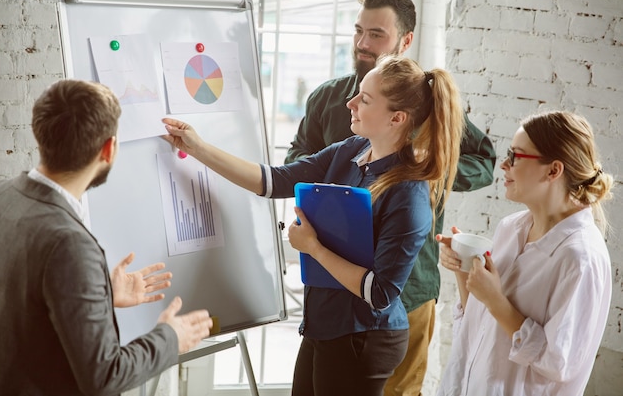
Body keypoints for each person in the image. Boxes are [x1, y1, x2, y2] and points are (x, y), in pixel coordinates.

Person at [162, 54, 465, 396]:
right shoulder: (352, 150)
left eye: (364, 99)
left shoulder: (408, 196)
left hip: (362, 338)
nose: (350, 103)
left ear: (397, 118)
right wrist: (198, 148)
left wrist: (313, 248)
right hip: (327, 325)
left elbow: (380, 293)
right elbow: (274, 181)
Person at [284, 0, 496, 396]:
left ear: (406, 40)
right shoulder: (329, 98)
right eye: (358, 31)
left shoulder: (428, 101)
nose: (363, 44)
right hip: (335, 285)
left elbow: (484, 162)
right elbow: (298, 158)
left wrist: (421, 169)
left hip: (407, 288)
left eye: (376, 34)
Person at [0, 79, 213, 395]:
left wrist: (98, 295)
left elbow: (18, 301)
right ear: (108, 149)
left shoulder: (4, 195)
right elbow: (104, 377)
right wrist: (170, 338)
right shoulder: (69, 244)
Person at [436, 111, 613, 395]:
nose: (504, 165)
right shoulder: (510, 228)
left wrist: (495, 300)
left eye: (516, 156)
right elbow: (480, 325)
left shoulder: (580, 258)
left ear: (553, 170)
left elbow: (559, 364)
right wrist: (464, 270)